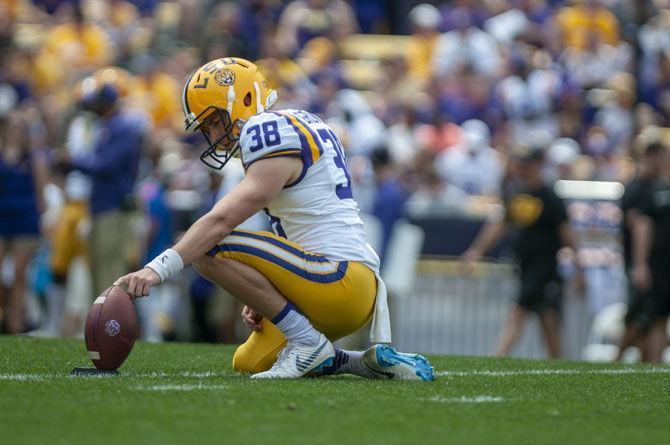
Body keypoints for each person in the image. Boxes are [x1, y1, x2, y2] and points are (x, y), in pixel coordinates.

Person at [115, 57, 434, 380]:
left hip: (339, 277)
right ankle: (357, 361)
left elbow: (222, 220)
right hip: (335, 282)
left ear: (244, 101)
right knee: (250, 361)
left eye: (213, 121)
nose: (212, 135)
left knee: (208, 247)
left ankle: (308, 342)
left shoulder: (264, 129)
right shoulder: (297, 123)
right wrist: (264, 292)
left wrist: (156, 269)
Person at [461, 145, 583, 358]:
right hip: (526, 266)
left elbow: (567, 233)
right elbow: (499, 225)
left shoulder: (549, 197)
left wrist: (579, 266)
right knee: (548, 319)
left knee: (520, 313)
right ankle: (558, 364)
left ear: (537, 165)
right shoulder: (517, 194)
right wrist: (476, 250)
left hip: (544, 268)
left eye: (527, 165)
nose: (522, 169)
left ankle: (498, 357)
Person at [0, 111, 48, 333]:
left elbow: (41, 193)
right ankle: (6, 315)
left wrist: (43, 220)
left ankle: (15, 324)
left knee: (20, 274)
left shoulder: (33, 159)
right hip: (2, 217)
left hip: (25, 219)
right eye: (13, 126)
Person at [615, 140, 664, 361]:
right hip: (642, 262)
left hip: (659, 263)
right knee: (640, 315)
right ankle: (616, 359)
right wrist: (639, 263)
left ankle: (649, 363)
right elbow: (637, 225)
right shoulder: (636, 188)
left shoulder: (660, 186)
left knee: (656, 316)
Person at [630, 141, 670, 363]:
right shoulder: (655, 191)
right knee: (656, 317)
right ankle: (653, 365)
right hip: (660, 265)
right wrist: (641, 264)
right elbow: (642, 228)